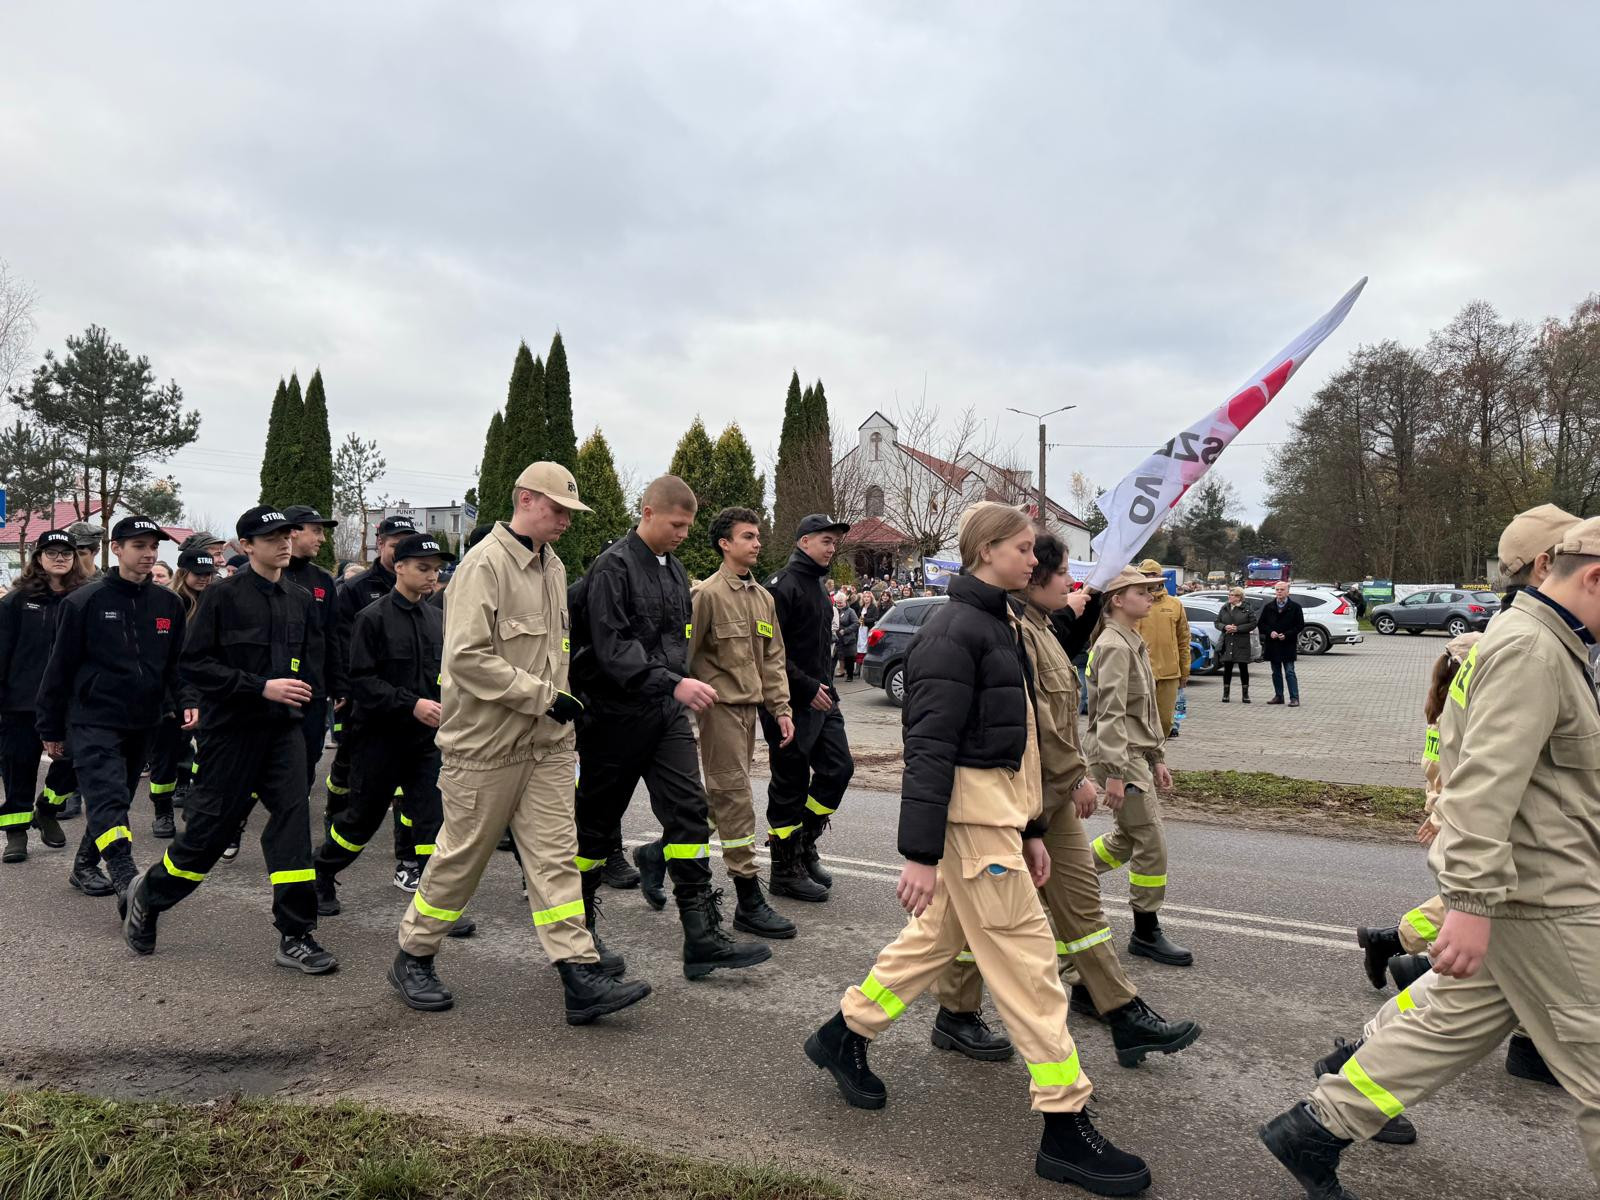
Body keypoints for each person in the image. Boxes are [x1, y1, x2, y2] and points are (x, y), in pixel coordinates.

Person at [804, 504, 1151, 1196]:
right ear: (987, 550)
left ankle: (844, 1034)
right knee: (1030, 971)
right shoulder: (953, 632)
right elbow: (929, 750)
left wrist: (1028, 831)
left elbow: (1014, 740)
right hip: (970, 827)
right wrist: (919, 855)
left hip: (997, 824)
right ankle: (1065, 1122)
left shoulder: (1002, 623)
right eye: (1025, 548)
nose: (1038, 560)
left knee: (933, 943)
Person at [1261, 516, 1600, 1196]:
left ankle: (1315, 1129)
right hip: (1547, 897)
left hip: (1532, 888)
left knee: (1450, 1024)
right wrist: (1469, 904)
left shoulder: (1545, 644)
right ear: (1592, 576)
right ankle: (1317, 1125)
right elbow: (1480, 787)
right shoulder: (1534, 651)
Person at [931, 532, 1203, 1074]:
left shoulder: (1042, 631)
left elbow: (1057, 714)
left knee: (1081, 905)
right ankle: (951, 1014)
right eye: (1058, 574)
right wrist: (1078, 775)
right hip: (1015, 800)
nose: (1069, 583)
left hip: (1046, 800)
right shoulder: (1013, 634)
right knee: (964, 919)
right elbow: (1038, 727)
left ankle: (1121, 1010)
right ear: (1032, 580)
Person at [388, 464, 649, 1023]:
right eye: (557, 510)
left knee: (556, 857)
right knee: (461, 858)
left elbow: (553, 650)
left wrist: (567, 706)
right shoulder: (484, 565)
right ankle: (414, 953)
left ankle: (579, 973)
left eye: (568, 514)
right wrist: (541, 697)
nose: (564, 523)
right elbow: (465, 658)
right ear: (525, 499)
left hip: (548, 744)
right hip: (486, 746)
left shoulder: (552, 565)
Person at [571, 474, 771, 981]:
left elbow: (676, 643)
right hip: (614, 718)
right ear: (648, 513)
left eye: (688, 525)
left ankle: (701, 937)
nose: (683, 533)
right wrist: (672, 682)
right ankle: (579, 934)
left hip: (665, 716)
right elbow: (613, 647)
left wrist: (678, 684)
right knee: (594, 829)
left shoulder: (675, 569)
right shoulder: (612, 567)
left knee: (688, 814)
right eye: (676, 524)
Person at [122, 506, 335, 972]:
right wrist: (259, 686)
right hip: (231, 735)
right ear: (247, 546)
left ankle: (296, 934)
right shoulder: (222, 597)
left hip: (284, 732)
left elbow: (314, 663)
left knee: (293, 827)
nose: (284, 542)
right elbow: (194, 664)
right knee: (207, 838)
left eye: (287, 534)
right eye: (272, 536)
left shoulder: (301, 598)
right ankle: (151, 896)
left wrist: (310, 709)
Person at [314, 533, 473, 937]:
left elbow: (445, 677)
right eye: (423, 568)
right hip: (380, 739)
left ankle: (436, 905)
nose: (431, 577)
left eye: (436, 570)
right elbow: (362, 681)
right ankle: (323, 870)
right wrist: (411, 704)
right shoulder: (373, 617)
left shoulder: (438, 618)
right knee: (359, 824)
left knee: (431, 823)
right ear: (398, 567)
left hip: (425, 744)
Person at [35, 517, 187, 904]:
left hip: (144, 719)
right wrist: (51, 727)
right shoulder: (83, 601)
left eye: (153, 546)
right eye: (138, 545)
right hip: (92, 717)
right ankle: (125, 876)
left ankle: (85, 864)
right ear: (116, 549)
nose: (149, 553)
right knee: (107, 797)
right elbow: (59, 668)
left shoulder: (169, 602)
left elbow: (176, 666)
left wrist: (186, 702)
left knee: (115, 796)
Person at [686, 506, 795, 939]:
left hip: (751, 712)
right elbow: (687, 658)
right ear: (725, 544)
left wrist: (781, 709)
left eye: (757, 536)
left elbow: (773, 659)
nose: (757, 543)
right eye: (747, 536)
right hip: (720, 711)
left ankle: (659, 853)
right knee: (735, 797)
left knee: (723, 796)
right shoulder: (707, 595)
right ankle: (747, 897)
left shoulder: (763, 598)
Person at [1087, 566, 1191, 967]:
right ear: (1117, 599)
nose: (1151, 596)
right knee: (1151, 840)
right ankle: (1146, 931)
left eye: (1153, 591)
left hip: (1132, 754)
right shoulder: (1114, 645)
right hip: (1120, 756)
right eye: (1143, 591)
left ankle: (1066, 875)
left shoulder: (1132, 639)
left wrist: (1157, 757)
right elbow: (1110, 713)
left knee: (1128, 839)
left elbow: (1142, 711)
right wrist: (1116, 772)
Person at [761, 515, 857, 902]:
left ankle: (803, 843)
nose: (832, 548)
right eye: (825, 541)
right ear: (803, 542)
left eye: (834, 542)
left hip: (823, 699)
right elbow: (766, 653)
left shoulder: (817, 585)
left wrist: (826, 688)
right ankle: (784, 870)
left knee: (839, 768)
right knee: (790, 786)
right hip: (788, 704)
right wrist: (803, 687)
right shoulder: (780, 587)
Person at [325, 514, 418, 881]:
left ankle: (409, 862)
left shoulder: (422, 592)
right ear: (379, 544)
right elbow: (343, 643)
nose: (399, 551)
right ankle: (330, 847)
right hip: (367, 705)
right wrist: (343, 688)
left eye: (406, 544)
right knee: (349, 778)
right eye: (394, 544)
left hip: (411, 708)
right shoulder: (357, 589)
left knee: (414, 793)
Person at [0, 531, 92, 862]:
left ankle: (47, 810)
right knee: (18, 767)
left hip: (70, 703)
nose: (60, 558)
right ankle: (16, 831)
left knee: (71, 764)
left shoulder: (85, 598)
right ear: (38, 558)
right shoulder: (16, 601)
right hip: (21, 702)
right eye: (51, 552)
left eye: (66, 552)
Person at [147, 546, 218, 818]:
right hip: (174, 690)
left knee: (209, 750)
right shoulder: (170, 602)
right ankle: (162, 811)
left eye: (208, 574)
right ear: (184, 572)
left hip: (208, 689)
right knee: (167, 753)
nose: (204, 579)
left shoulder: (217, 600)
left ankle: (194, 796)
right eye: (198, 574)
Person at [282, 506, 344, 799]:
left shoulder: (323, 580)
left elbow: (332, 636)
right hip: (270, 690)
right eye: (316, 530)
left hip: (312, 690)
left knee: (309, 753)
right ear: (293, 532)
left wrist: (338, 685)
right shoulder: (266, 575)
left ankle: (295, 805)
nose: (322, 538)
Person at [1133, 559, 1188, 738]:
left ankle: (1157, 759)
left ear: (1159, 577)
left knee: (1165, 722)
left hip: (1168, 672)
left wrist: (1184, 671)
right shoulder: (1133, 603)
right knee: (1139, 722)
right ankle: (1142, 761)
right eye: (1143, 575)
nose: (1148, 579)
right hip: (1139, 672)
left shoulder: (1175, 604)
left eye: (1151, 575)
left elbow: (1183, 640)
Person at [1257, 581, 1305, 706]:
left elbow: (1300, 625)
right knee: (1276, 672)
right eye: (1277, 589)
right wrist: (1270, 632)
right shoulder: (1269, 607)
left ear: (1288, 591)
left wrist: (1287, 634)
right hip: (1273, 644)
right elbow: (1261, 624)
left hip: (1288, 644)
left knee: (1289, 671)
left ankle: (1294, 698)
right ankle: (1279, 696)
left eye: (1282, 589)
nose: (1279, 592)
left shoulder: (1295, 607)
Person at [1213, 587, 1257, 704]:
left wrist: (1238, 629)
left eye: (1232, 595)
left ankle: (1245, 694)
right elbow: (1217, 622)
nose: (1229, 597)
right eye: (1229, 595)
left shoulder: (1247, 608)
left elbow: (1253, 623)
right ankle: (1226, 694)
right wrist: (1224, 627)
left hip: (1241, 641)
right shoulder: (1225, 607)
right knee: (1227, 667)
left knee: (1243, 668)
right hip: (1227, 640)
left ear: (1239, 597)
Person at [833, 592, 859, 682]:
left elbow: (856, 623)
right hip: (836, 638)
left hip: (848, 638)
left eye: (841, 602)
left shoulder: (850, 611)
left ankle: (850, 675)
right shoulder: (834, 610)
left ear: (845, 601)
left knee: (849, 657)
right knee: (837, 656)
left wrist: (846, 630)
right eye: (837, 602)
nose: (839, 604)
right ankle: (840, 671)